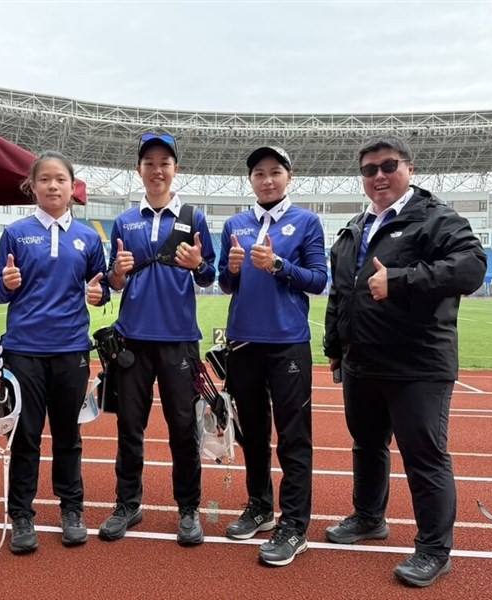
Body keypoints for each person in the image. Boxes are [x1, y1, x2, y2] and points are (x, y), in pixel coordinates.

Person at [323, 135, 486, 587]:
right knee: (367, 445)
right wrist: (336, 348)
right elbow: (342, 293)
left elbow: (472, 268)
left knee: (424, 457)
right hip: (363, 360)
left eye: (388, 166)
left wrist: (400, 279)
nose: (378, 176)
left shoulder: (435, 218)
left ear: (409, 169)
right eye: (369, 170)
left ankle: (434, 549)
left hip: (417, 363)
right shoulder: (356, 227)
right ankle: (369, 517)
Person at [98, 132, 216, 545]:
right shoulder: (125, 221)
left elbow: (209, 275)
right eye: (149, 163)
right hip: (132, 339)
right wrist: (117, 273)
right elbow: (114, 282)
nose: (157, 169)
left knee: (183, 429)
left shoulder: (193, 217)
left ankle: (188, 510)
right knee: (130, 428)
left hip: (180, 339)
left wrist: (199, 263)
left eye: (164, 162)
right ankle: (127, 505)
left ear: (174, 169)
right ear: (140, 170)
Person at [0, 151, 109, 554]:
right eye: (45, 180)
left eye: (60, 179)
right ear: (33, 186)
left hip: (72, 349)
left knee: (68, 436)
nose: (53, 186)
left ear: (72, 187)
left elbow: (101, 288)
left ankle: (71, 510)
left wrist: (99, 294)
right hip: (24, 350)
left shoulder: (89, 237)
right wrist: (6, 283)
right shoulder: (16, 233)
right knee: (25, 436)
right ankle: (21, 515)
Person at [217, 146, 327, 566]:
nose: (267, 179)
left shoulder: (306, 221)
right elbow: (229, 286)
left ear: (288, 176)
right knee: (253, 434)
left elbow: (318, 280)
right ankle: (260, 507)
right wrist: (231, 269)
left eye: (274, 172)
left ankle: (295, 525)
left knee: (294, 437)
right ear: (250, 180)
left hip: (288, 344)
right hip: (244, 343)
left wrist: (279, 264)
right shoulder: (236, 224)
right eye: (259, 173)